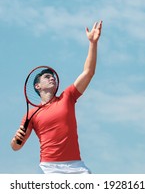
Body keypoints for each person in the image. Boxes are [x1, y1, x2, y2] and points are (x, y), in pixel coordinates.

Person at [10, 21, 102, 174]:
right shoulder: (31, 114)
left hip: (77, 167)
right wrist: (15, 140)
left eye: (53, 76)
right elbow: (16, 147)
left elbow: (88, 72)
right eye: (47, 77)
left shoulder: (68, 97)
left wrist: (93, 43)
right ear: (37, 86)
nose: (52, 78)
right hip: (49, 169)